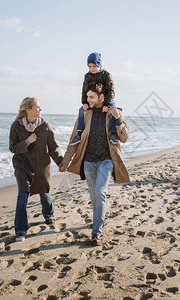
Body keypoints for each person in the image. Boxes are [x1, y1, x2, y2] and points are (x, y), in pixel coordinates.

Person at [60, 82, 129, 246]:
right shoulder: (85, 114)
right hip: (88, 162)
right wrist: (65, 162)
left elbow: (124, 138)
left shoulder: (113, 113)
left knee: (100, 192)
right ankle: (99, 218)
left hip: (106, 160)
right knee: (93, 196)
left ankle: (96, 233)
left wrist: (118, 119)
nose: (88, 100)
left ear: (102, 97)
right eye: (87, 96)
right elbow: (74, 141)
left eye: (92, 97)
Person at [9, 97, 63, 242]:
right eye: (37, 107)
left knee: (44, 192)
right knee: (22, 195)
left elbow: (53, 148)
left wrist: (61, 163)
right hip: (22, 165)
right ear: (28, 110)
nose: (40, 109)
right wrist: (27, 142)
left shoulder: (45, 126)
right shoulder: (16, 126)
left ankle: (49, 215)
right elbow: (12, 148)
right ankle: (20, 230)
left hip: (41, 165)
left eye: (39, 107)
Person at [69, 52, 119, 146]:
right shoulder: (87, 76)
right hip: (92, 100)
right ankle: (79, 134)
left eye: (94, 66)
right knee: (81, 110)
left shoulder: (106, 75)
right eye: (89, 66)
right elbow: (84, 91)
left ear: (99, 65)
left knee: (113, 107)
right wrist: (84, 102)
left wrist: (106, 104)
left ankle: (113, 133)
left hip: (106, 99)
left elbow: (111, 90)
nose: (92, 69)